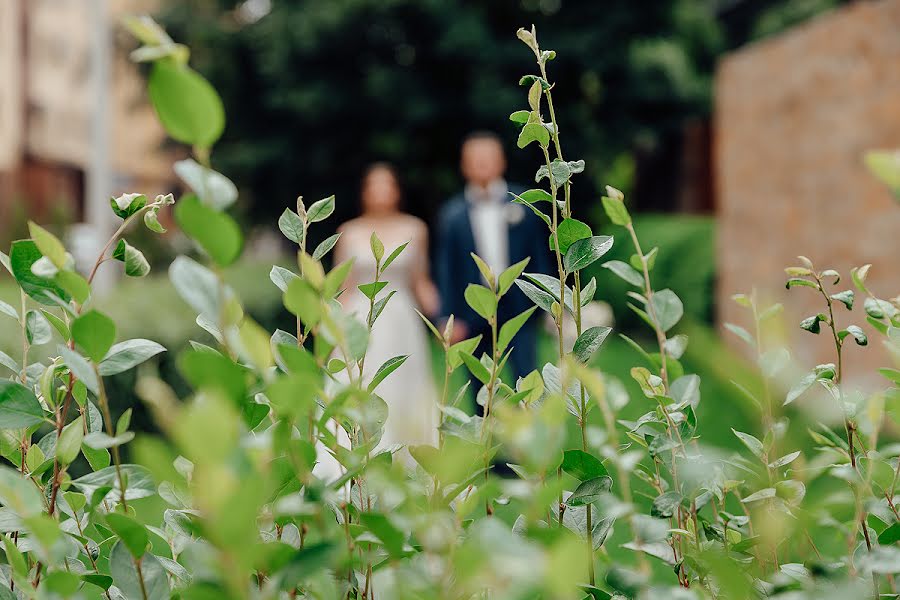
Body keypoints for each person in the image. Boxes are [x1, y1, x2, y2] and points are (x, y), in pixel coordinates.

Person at [436, 131, 553, 409]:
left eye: (487, 159)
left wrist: (547, 302)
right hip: (472, 308)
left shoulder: (523, 202)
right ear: (464, 166)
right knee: (481, 386)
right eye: (474, 160)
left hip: (519, 305)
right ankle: (489, 447)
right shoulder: (452, 215)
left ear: (501, 162)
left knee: (526, 378)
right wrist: (448, 316)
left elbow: (538, 256)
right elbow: (446, 269)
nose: (481, 165)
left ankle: (526, 445)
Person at [332, 162, 441, 450]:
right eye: (374, 185)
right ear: (364, 192)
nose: (380, 192)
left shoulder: (415, 229)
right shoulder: (349, 232)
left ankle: (407, 451)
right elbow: (343, 287)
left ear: (397, 190)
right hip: (360, 316)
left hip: (401, 316)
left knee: (405, 383)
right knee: (360, 379)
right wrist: (333, 326)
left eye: (387, 185)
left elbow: (421, 281)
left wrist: (443, 316)